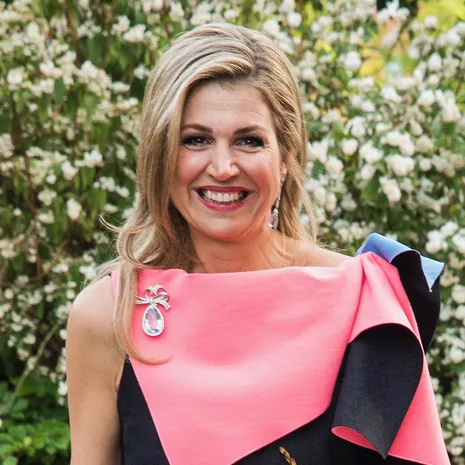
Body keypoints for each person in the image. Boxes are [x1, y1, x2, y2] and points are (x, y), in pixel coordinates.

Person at [66, 23, 450, 465]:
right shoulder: (108, 317)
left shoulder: (366, 301)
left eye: (249, 141)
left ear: (286, 157)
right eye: (195, 140)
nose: (223, 167)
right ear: (161, 156)